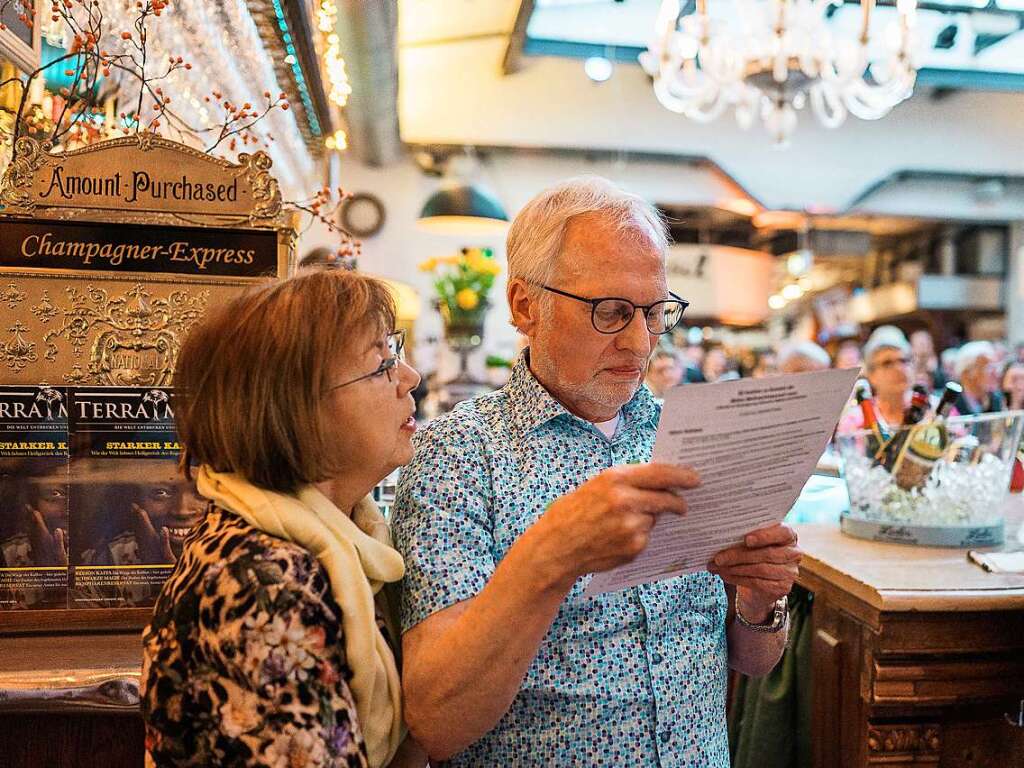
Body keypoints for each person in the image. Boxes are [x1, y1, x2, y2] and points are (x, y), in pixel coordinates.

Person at [392, 177, 799, 767]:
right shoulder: (458, 456)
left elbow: (753, 661)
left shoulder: (687, 436)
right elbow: (435, 720)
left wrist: (760, 600)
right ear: (524, 306)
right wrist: (551, 559)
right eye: (610, 312)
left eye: (655, 312)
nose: (639, 342)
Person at [141, 270, 426, 768]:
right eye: (382, 364)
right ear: (298, 410)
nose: (410, 377)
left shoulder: (341, 539)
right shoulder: (260, 582)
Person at [837, 326, 915, 433]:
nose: (899, 369)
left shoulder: (932, 412)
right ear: (871, 375)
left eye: (904, 360)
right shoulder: (854, 422)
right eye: (887, 363)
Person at [953, 341, 1004, 415]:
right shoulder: (951, 401)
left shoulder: (997, 400)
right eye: (989, 367)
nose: (996, 374)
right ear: (967, 373)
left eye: (995, 367)